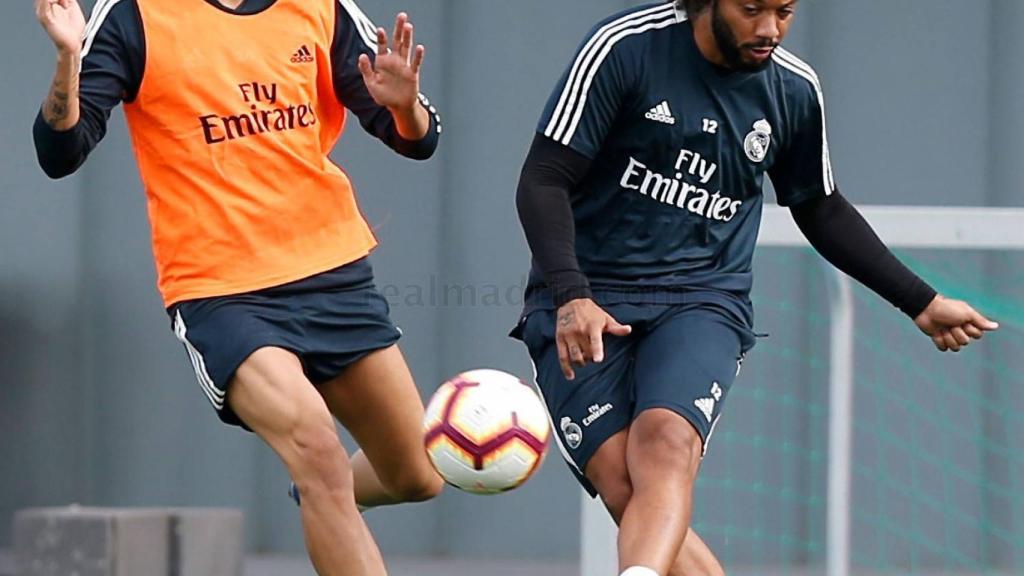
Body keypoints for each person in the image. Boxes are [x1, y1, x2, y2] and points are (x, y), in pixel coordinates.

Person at [511, 1, 1000, 575]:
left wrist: (919, 299)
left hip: (702, 297)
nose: (770, 28)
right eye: (751, 9)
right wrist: (571, 296)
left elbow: (820, 208)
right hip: (586, 296)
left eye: (785, 10)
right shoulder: (624, 47)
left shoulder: (793, 90)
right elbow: (543, 179)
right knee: (623, 484)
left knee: (667, 444)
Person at [33, 0, 445, 573]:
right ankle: (322, 483)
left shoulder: (320, 7)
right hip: (222, 289)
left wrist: (406, 111)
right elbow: (60, 152)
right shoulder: (134, 15)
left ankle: (320, 493)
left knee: (419, 474)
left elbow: (415, 139)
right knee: (319, 452)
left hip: (332, 271)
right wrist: (67, 60)